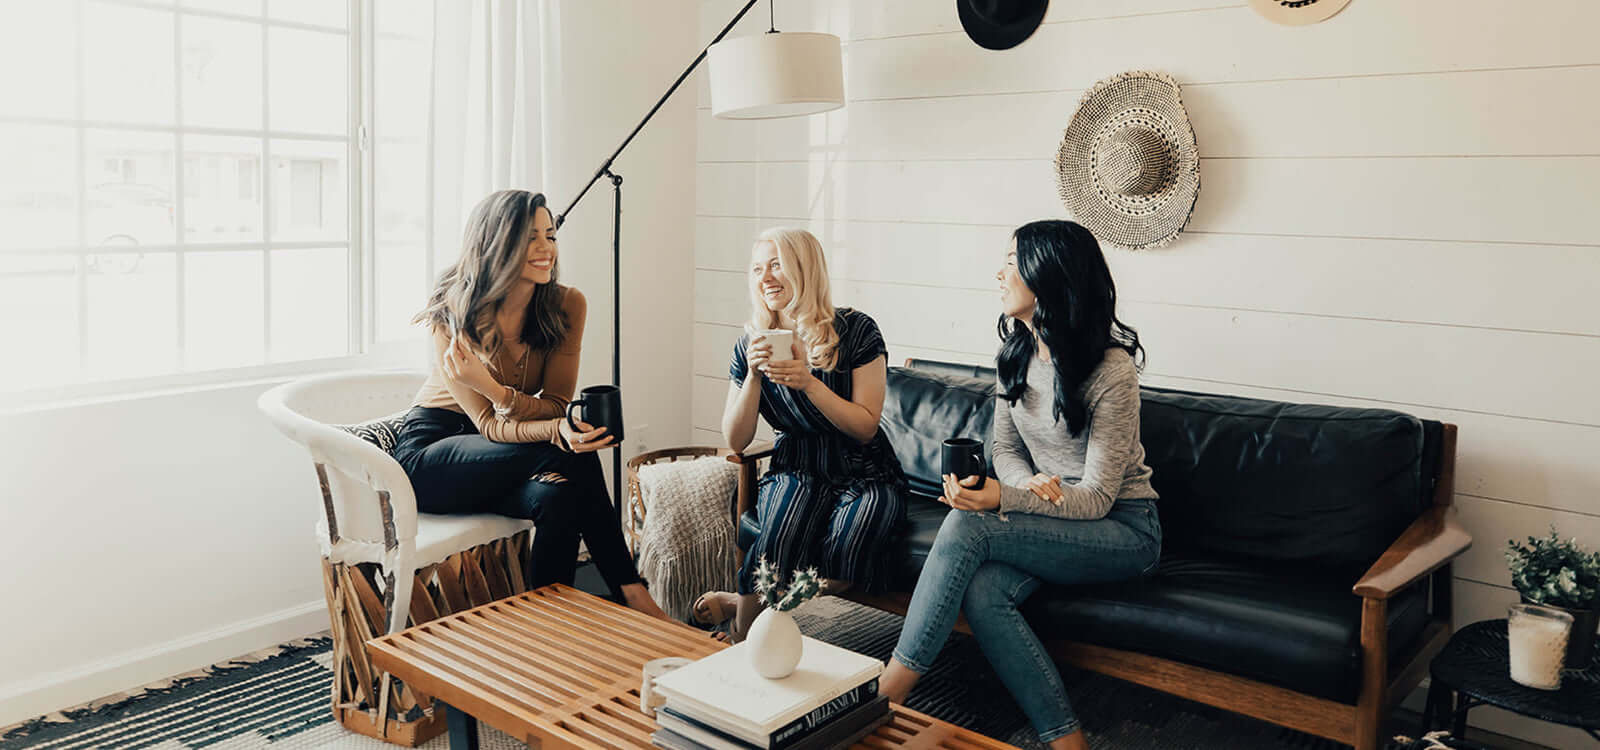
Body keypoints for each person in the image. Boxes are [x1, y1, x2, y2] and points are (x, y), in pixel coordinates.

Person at [880, 220, 1162, 750]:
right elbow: (1005, 449)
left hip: (1125, 531)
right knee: (986, 590)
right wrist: (1023, 482)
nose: (999, 272)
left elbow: (1100, 497)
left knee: (969, 524)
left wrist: (1005, 498)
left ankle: (889, 691)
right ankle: (1067, 740)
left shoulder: (1111, 370)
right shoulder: (1016, 355)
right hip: (1054, 517)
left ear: (1048, 274)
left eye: (1012, 260)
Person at [391, 189, 667, 619]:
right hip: (434, 455)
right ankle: (634, 594)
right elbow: (489, 426)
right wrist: (551, 429)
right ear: (497, 243)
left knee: (558, 496)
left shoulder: (565, 305)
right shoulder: (454, 310)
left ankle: (544, 623)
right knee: (572, 456)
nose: (546, 249)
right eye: (530, 237)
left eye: (550, 235)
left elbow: (556, 404)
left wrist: (512, 400)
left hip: (506, 452)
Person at [693, 228, 906, 640]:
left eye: (776, 265)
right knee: (782, 532)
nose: (765, 277)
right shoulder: (749, 343)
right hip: (797, 463)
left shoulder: (857, 330)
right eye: (757, 268)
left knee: (856, 537)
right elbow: (736, 440)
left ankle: (742, 603)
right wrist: (753, 376)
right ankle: (742, 635)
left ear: (805, 269)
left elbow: (865, 426)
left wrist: (810, 383)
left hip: (863, 466)